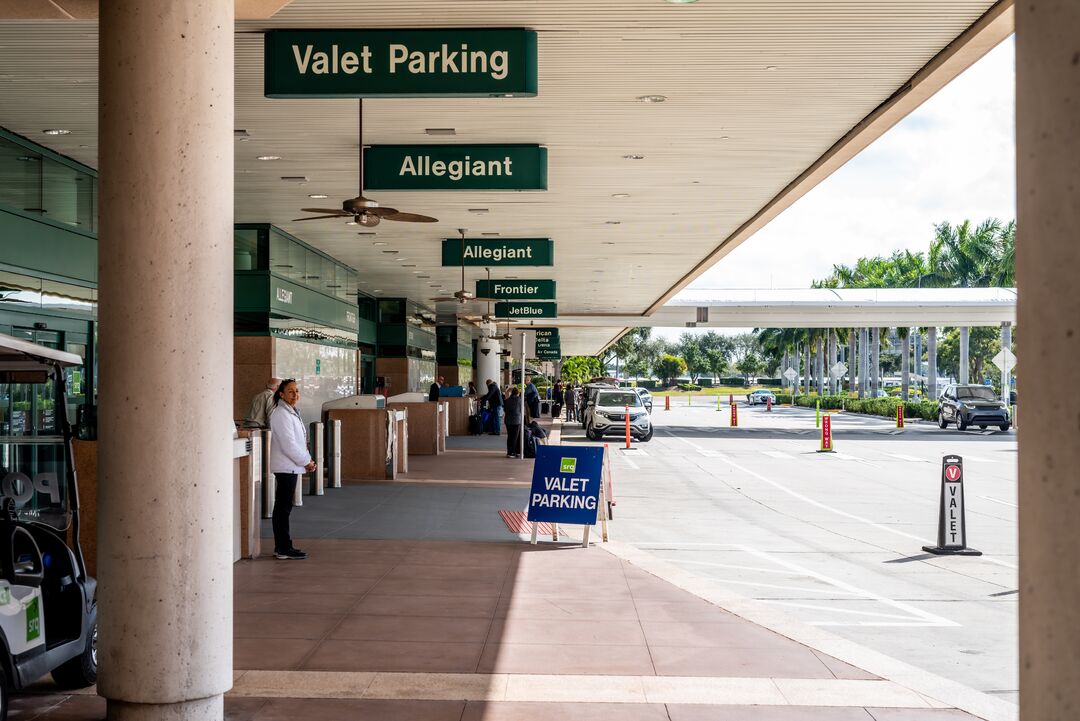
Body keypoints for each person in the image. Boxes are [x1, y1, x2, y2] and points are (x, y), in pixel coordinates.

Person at [268, 379, 315, 560]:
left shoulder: (292, 412)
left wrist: (306, 460)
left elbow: (298, 441)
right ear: (281, 394)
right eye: (290, 392)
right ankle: (282, 547)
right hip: (286, 467)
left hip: (292, 466)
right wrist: (306, 461)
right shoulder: (281, 414)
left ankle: (283, 545)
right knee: (283, 507)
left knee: (284, 506)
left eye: (296, 391)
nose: (295, 395)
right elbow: (288, 444)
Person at [504, 386, 523, 457]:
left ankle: (509, 452)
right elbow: (521, 410)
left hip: (508, 420)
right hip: (516, 421)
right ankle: (513, 452)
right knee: (515, 437)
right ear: (518, 393)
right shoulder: (520, 400)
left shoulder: (507, 400)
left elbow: (505, 410)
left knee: (510, 436)